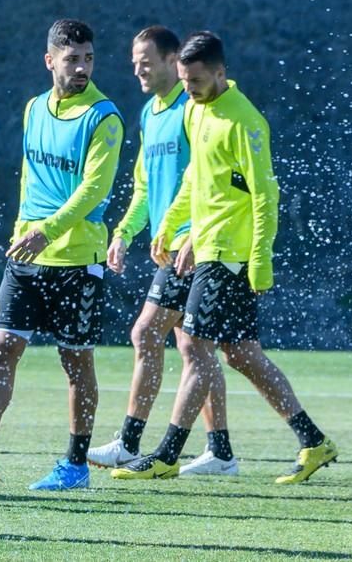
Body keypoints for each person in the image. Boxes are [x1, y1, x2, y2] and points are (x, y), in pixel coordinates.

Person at [112, 31, 338, 483]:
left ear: (220, 72)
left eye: (195, 80)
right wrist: (170, 222)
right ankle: (314, 441)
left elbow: (264, 196)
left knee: (195, 346)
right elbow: (197, 177)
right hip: (207, 244)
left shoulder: (246, 122)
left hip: (229, 253)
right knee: (241, 355)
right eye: (184, 80)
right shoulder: (196, 111)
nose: (189, 89)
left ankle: (167, 453)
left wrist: (260, 259)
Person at [0, 19, 123, 491]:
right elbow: (31, 181)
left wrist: (47, 231)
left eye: (88, 58)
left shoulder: (105, 116)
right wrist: (26, 232)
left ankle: (76, 466)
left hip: (77, 259)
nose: (81, 67)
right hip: (26, 256)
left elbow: (94, 191)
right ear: (49, 60)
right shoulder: (34, 108)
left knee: (76, 361)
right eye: (72, 58)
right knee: (2, 350)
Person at [89, 26, 237, 476]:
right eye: (134, 61)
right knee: (194, 345)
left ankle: (131, 442)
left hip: (195, 243)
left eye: (146, 60)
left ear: (175, 60)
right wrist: (123, 233)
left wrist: (194, 234)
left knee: (148, 334)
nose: (138, 68)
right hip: (170, 245)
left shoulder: (194, 110)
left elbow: (210, 180)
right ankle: (221, 451)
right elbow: (144, 186)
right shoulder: (150, 114)